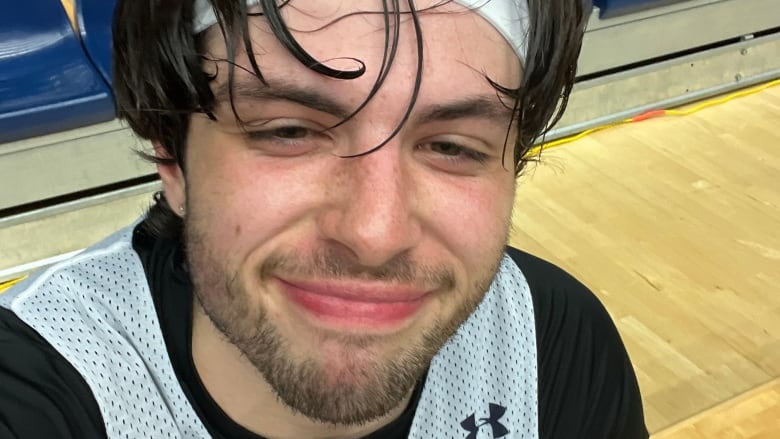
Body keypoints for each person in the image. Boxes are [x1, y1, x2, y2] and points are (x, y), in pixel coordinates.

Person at [0, 0, 649, 437]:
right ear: (172, 157)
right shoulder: (39, 388)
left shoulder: (553, 341)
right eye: (288, 131)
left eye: (452, 146)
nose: (375, 233)